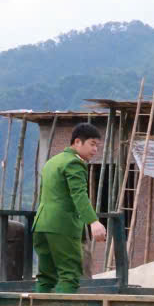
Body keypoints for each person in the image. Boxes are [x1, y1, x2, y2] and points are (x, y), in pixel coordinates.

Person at [33, 123, 107, 293]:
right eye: (92, 144)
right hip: (62, 226)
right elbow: (79, 194)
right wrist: (93, 222)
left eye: (97, 145)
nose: (95, 149)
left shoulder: (52, 162)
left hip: (41, 226)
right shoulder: (74, 163)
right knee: (70, 275)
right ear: (77, 142)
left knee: (46, 277)